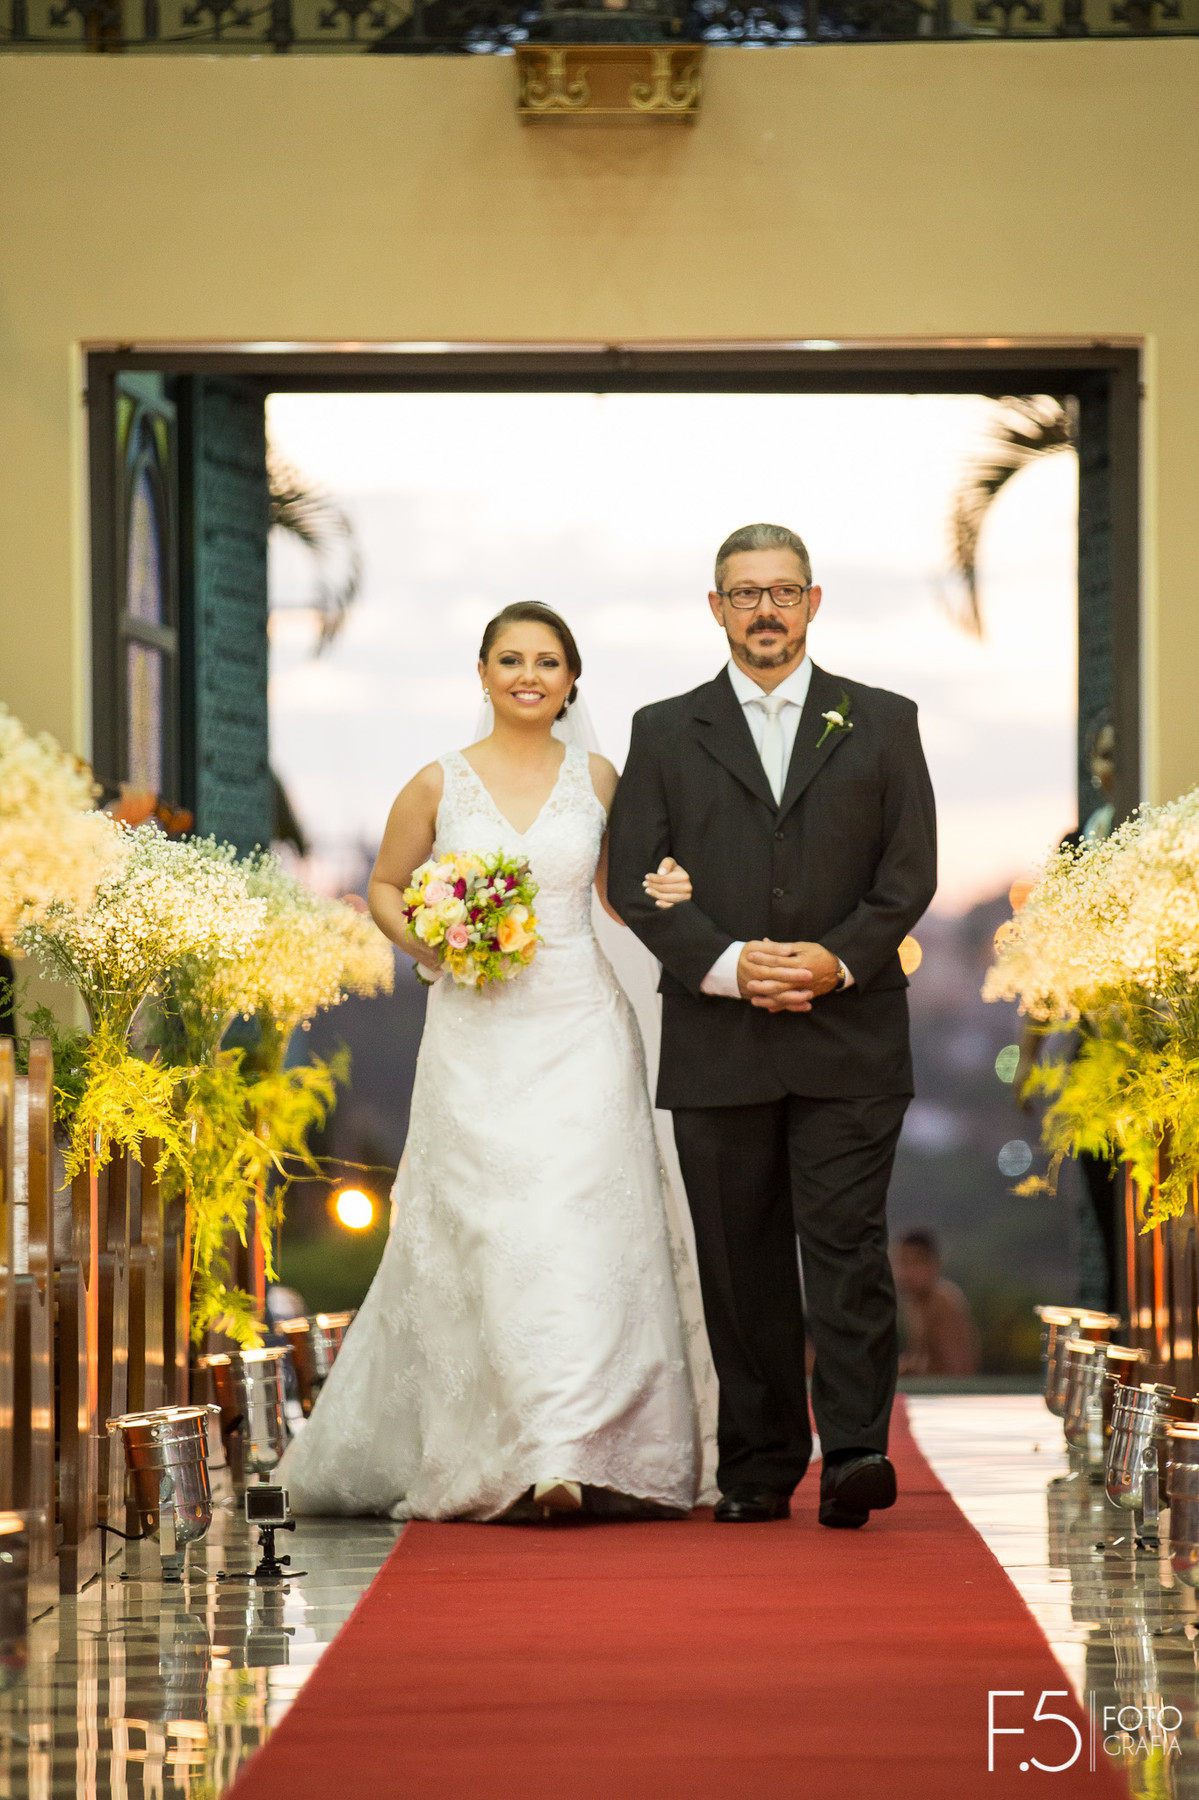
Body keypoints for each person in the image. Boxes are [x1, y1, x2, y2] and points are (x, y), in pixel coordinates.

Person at [279, 601, 703, 1523]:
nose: (528, 675)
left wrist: (671, 886)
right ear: (482, 674)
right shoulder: (438, 783)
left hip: (582, 1027)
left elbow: (620, 898)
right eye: (510, 659)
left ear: (571, 680)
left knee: (582, 1232)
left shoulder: (599, 777)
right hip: (475, 1035)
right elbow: (385, 886)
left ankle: (575, 1449)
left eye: (547, 661)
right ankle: (515, 1445)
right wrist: (432, 941)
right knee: (494, 1236)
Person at [608, 522, 938, 1529]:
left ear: (811, 602)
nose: (764, 609)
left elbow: (907, 873)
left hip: (851, 1037)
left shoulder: (882, 721)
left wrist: (834, 959)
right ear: (715, 607)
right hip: (718, 1041)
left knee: (845, 1250)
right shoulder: (664, 730)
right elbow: (635, 877)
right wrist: (724, 965)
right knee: (738, 1261)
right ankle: (755, 1465)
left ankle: (854, 1455)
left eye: (782, 591)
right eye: (744, 593)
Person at [893, 1229, 980, 1376]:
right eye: (902, 1261)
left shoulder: (942, 1302)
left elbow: (957, 1370)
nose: (906, 1272)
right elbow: (920, 1361)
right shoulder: (916, 1305)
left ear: (934, 1265)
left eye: (915, 1262)